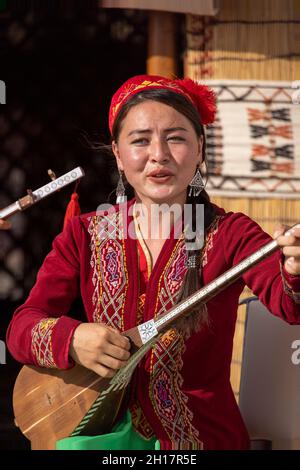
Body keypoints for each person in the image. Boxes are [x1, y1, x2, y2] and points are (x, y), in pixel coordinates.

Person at [6, 75, 300, 451]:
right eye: (140, 140)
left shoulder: (231, 234)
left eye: (176, 138)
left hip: (200, 441)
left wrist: (293, 269)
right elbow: (21, 329)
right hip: (103, 438)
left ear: (200, 149)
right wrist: (72, 339)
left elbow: (290, 304)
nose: (158, 154)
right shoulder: (84, 234)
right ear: (117, 153)